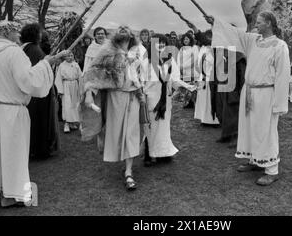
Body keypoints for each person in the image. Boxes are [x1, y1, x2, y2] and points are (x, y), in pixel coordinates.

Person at [0, 20, 68, 207]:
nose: (19, 35)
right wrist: (46, 64)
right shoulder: (14, 52)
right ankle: (11, 195)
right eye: (16, 31)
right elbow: (29, 82)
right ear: (7, 33)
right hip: (12, 111)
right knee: (13, 153)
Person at [210, 11, 290, 186]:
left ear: (269, 23)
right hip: (249, 92)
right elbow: (235, 34)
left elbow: (283, 76)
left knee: (265, 130)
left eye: (260, 22)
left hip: (266, 94)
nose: (256, 25)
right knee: (248, 127)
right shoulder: (253, 40)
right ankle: (254, 160)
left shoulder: (280, 46)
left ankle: (271, 170)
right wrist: (216, 22)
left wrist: (279, 104)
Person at [82, 25, 142, 191]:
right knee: (115, 133)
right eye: (121, 31)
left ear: (131, 37)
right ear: (116, 36)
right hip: (116, 97)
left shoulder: (137, 51)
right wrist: (89, 92)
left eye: (127, 32)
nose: (124, 31)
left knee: (131, 133)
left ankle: (129, 172)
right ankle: (117, 155)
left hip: (134, 97)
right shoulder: (108, 51)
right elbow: (94, 73)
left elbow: (143, 74)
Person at [141, 34, 195, 166]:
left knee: (164, 127)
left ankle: (164, 153)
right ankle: (149, 154)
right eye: (158, 43)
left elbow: (175, 79)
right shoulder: (146, 62)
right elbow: (141, 81)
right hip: (151, 98)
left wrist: (188, 86)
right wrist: (141, 95)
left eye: (163, 43)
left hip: (165, 100)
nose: (161, 46)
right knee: (150, 127)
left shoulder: (170, 61)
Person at [21, 24, 60, 159]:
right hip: (39, 93)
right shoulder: (35, 50)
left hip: (31, 92)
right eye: (39, 33)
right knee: (40, 120)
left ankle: (34, 147)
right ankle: (40, 149)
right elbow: (41, 70)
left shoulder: (24, 48)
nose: (41, 35)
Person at [211, 47, 246, 145]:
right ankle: (225, 135)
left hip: (232, 89)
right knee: (221, 112)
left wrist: (241, 92)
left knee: (232, 114)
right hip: (220, 88)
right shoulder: (219, 53)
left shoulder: (239, 56)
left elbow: (242, 76)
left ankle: (235, 137)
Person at [194, 31, 220, 126]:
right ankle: (204, 119)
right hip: (203, 77)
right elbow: (197, 63)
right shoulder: (202, 49)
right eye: (207, 37)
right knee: (203, 100)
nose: (209, 39)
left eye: (211, 37)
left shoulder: (216, 49)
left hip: (212, 77)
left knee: (211, 100)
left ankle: (214, 121)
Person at [55, 51, 83, 133]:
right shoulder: (61, 66)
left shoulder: (76, 65)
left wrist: (81, 89)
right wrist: (60, 90)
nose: (70, 57)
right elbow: (58, 78)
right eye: (68, 56)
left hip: (75, 85)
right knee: (67, 104)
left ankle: (74, 123)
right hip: (66, 85)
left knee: (75, 104)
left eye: (71, 55)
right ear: (64, 57)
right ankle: (66, 124)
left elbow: (80, 77)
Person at [176, 33, 199, 108]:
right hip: (184, 72)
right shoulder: (182, 49)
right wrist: (179, 67)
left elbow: (194, 59)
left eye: (187, 39)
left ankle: (194, 103)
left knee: (193, 87)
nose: (185, 40)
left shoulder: (194, 48)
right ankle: (188, 103)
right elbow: (178, 59)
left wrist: (184, 66)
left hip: (192, 70)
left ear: (190, 40)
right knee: (186, 87)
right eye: (184, 39)